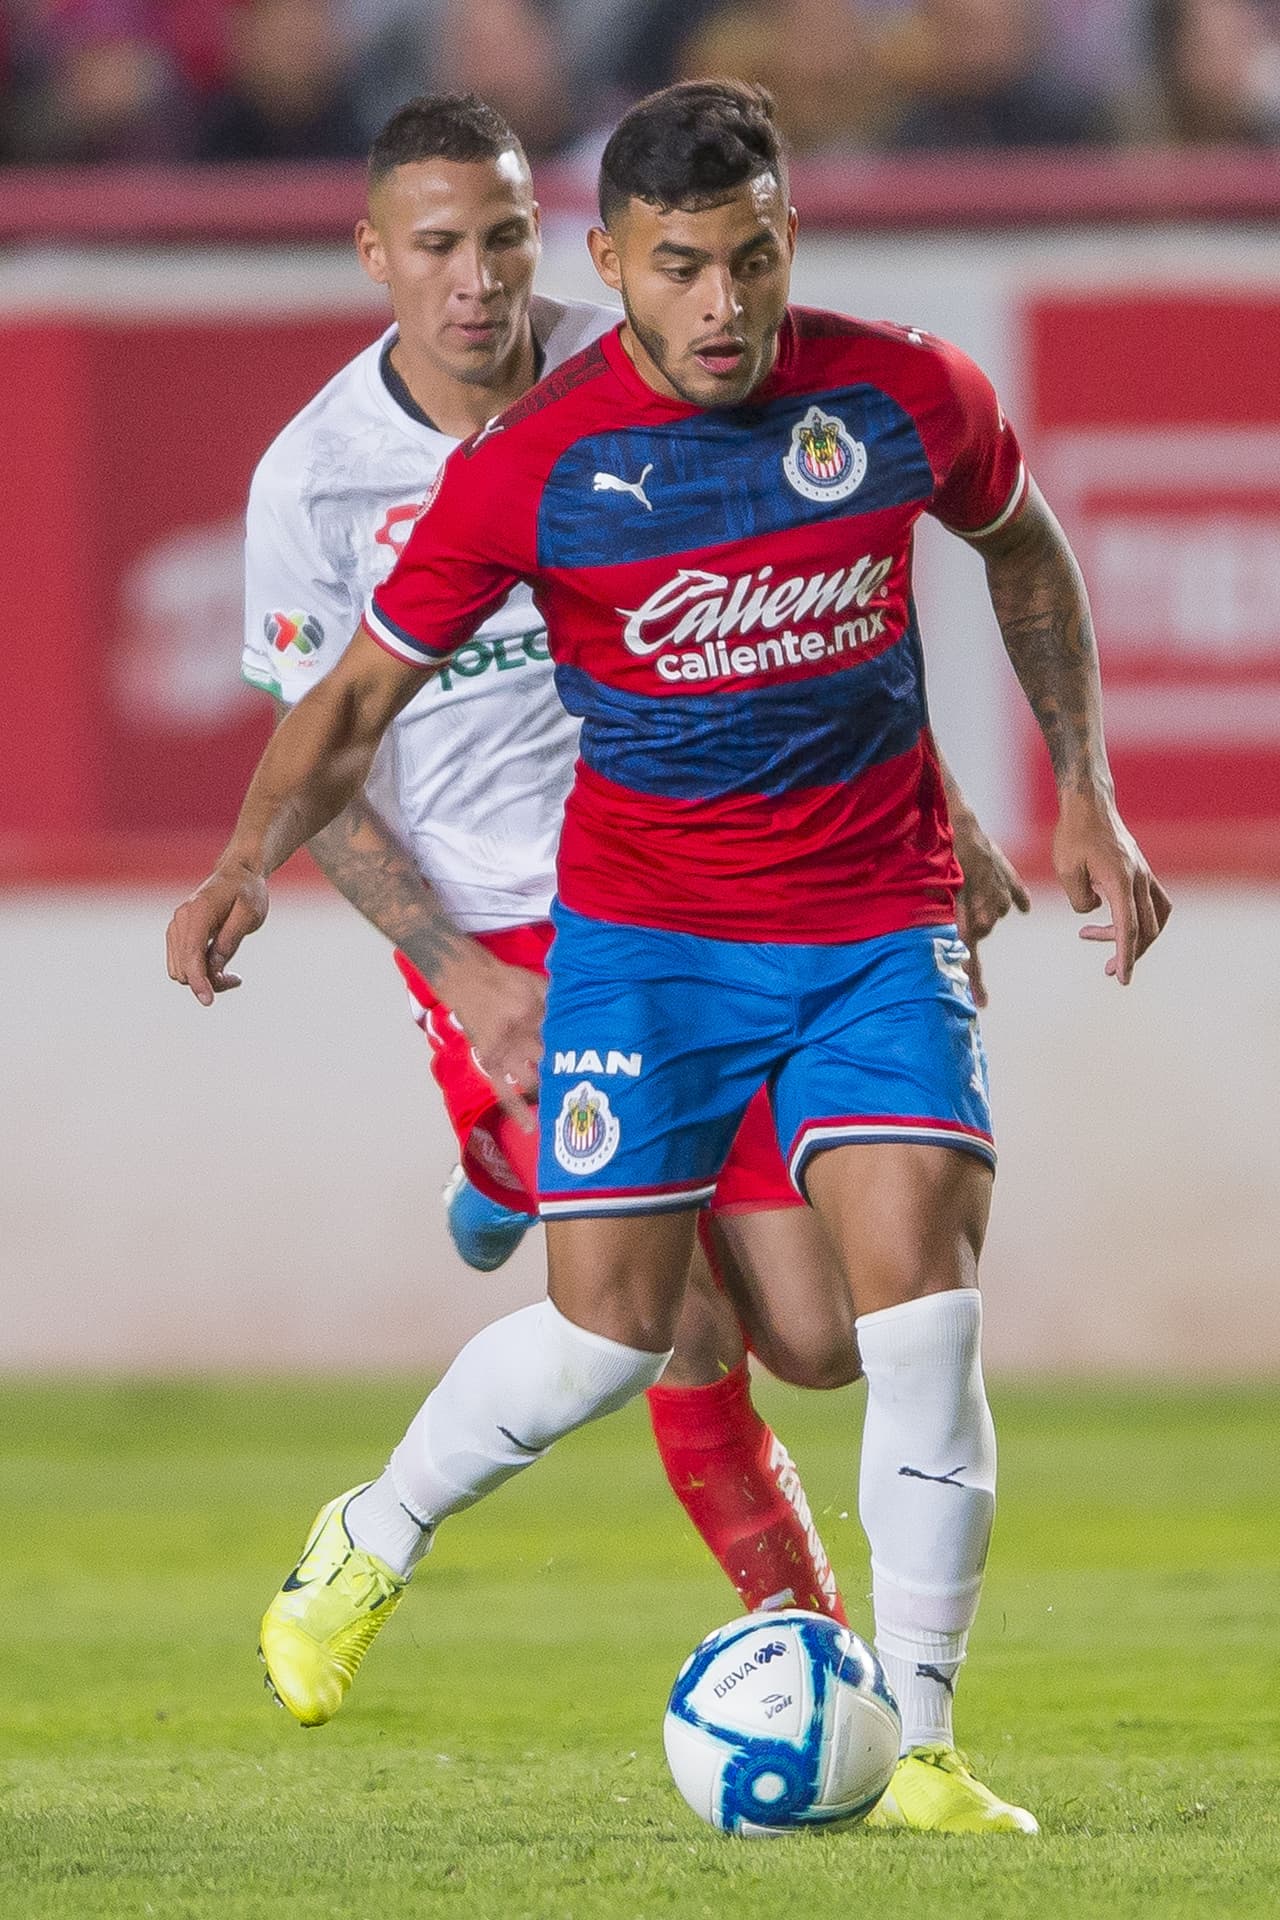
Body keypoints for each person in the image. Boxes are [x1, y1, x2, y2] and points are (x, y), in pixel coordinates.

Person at [170, 80, 1169, 1833]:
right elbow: (351, 700)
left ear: (793, 245)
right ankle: (371, 1532)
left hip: (871, 926)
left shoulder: (904, 390)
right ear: (619, 264)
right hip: (645, 946)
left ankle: (924, 1744)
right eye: (686, 267)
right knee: (611, 1340)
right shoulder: (533, 466)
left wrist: (1083, 787)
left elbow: (1024, 550)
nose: (724, 306)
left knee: (906, 1328)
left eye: (754, 262)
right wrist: (246, 855)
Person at [241, 89, 867, 1672]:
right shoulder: (313, 483)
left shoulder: (640, 366)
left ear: (555, 241)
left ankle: (506, 1177)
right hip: (516, 933)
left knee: (821, 1336)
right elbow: (326, 768)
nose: (478, 278)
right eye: (439, 244)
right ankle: (806, 1642)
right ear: (374, 254)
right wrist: (467, 979)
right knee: (666, 1319)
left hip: (697, 878)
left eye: (506, 237)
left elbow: (796, 604)